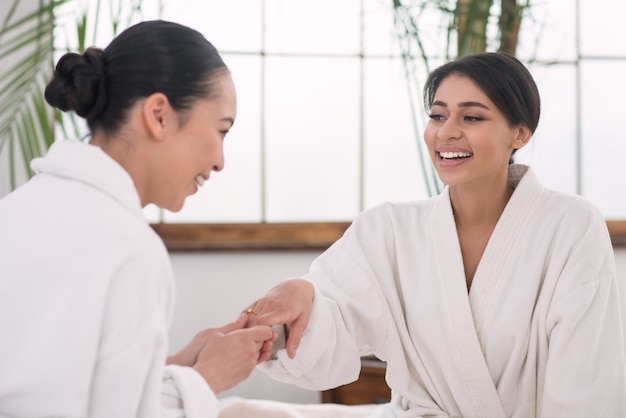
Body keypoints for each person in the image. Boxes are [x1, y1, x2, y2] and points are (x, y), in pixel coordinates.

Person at [244, 52, 626, 417]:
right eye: (437, 115)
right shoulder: (388, 229)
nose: (447, 132)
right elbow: (334, 321)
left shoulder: (570, 225)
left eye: (472, 118)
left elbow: (583, 381)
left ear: (520, 134)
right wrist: (302, 297)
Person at [0, 20, 276, 417]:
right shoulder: (131, 249)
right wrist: (209, 378)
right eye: (221, 130)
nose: (219, 161)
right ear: (159, 114)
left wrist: (183, 362)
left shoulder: (22, 207)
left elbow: (70, 382)